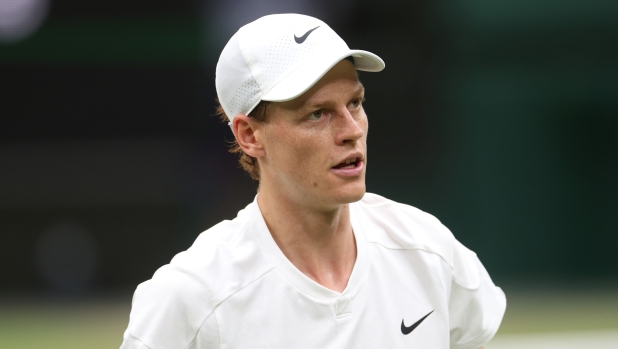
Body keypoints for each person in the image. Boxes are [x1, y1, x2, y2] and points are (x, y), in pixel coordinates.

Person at [120, 13, 506, 349]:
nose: (352, 130)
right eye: (318, 114)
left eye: (355, 103)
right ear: (250, 136)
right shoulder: (191, 297)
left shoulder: (429, 251)